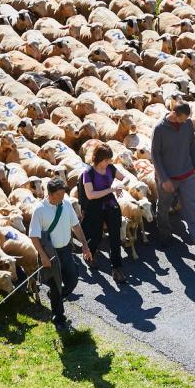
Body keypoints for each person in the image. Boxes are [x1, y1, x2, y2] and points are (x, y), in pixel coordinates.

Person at [29, 177, 92, 331]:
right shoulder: (39, 210)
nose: (63, 198)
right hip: (51, 253)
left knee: (72, 280)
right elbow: (34, 235)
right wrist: (43, 256)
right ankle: (59, 319)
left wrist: (84, 245)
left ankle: (56, 298)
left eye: (64, 194)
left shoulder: (66, 204)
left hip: (65, 250)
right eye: (60, 195)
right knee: (56, 285)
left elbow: (76, 226)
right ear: (51, 194)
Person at [150, 100, 195, 257]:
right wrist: (164, 179)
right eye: (182, 118)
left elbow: (192, 146)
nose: (185, 121)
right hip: (167, 177)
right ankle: (164, 235)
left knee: (192, 207)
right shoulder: (159, 128)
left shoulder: (187, 124)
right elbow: (155, 155)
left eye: (186, 118)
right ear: (174, 114)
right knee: (163, 206)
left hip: (186, 174)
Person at [79, 142, 126, 283]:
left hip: (110, 205)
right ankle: (90, 253)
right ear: (99, 158)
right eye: (106, 160)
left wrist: (120, 185)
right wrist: (111, 189)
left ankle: (117, 268)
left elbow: (125, 178)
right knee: (96, 235)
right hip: (95, 207)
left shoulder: (110, 168)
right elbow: (90, 195)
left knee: (115, 236)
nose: (108, 162)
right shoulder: (88, 173)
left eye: (109, 160)